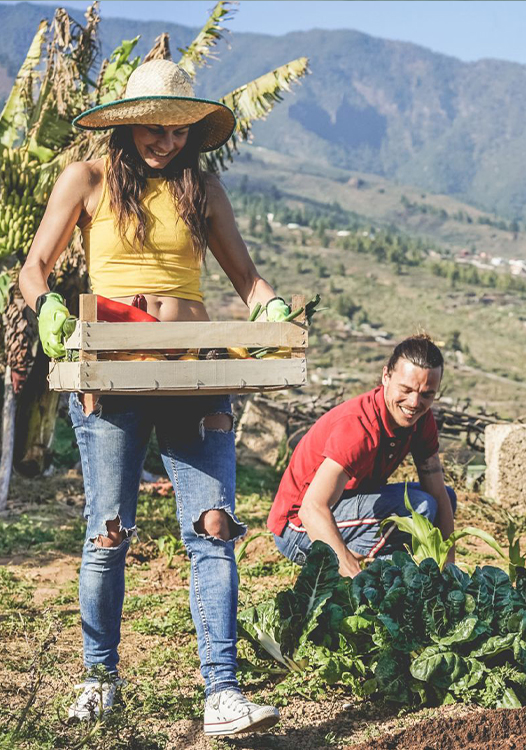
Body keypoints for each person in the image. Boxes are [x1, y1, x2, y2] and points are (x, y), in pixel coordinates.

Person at [19, 60, 283, 735]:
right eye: (154, 128)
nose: (166, 141)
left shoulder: (205, 188)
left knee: (215, 528)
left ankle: (222, 693)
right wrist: (47, 307)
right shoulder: (89, 178)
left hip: (194, 373)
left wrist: (271, 310)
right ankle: (100, 680)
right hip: (112, 373)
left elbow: (248, 281)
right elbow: (33, 269)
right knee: (109, 533)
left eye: (178, 130)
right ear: (129, 122)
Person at [269, 335, 456, 576]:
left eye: (426, 394)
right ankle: (368, 580)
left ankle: (387, 581)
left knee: (445, 500)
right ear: (386, 376)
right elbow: (311, 509)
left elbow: (438, 491)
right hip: (297, 530)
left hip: (345, 507)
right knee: (420, 508)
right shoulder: (358, 428)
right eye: (406, 389)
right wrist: (354, 578)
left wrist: (449, 567)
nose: (414, 402)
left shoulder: (421, 421)